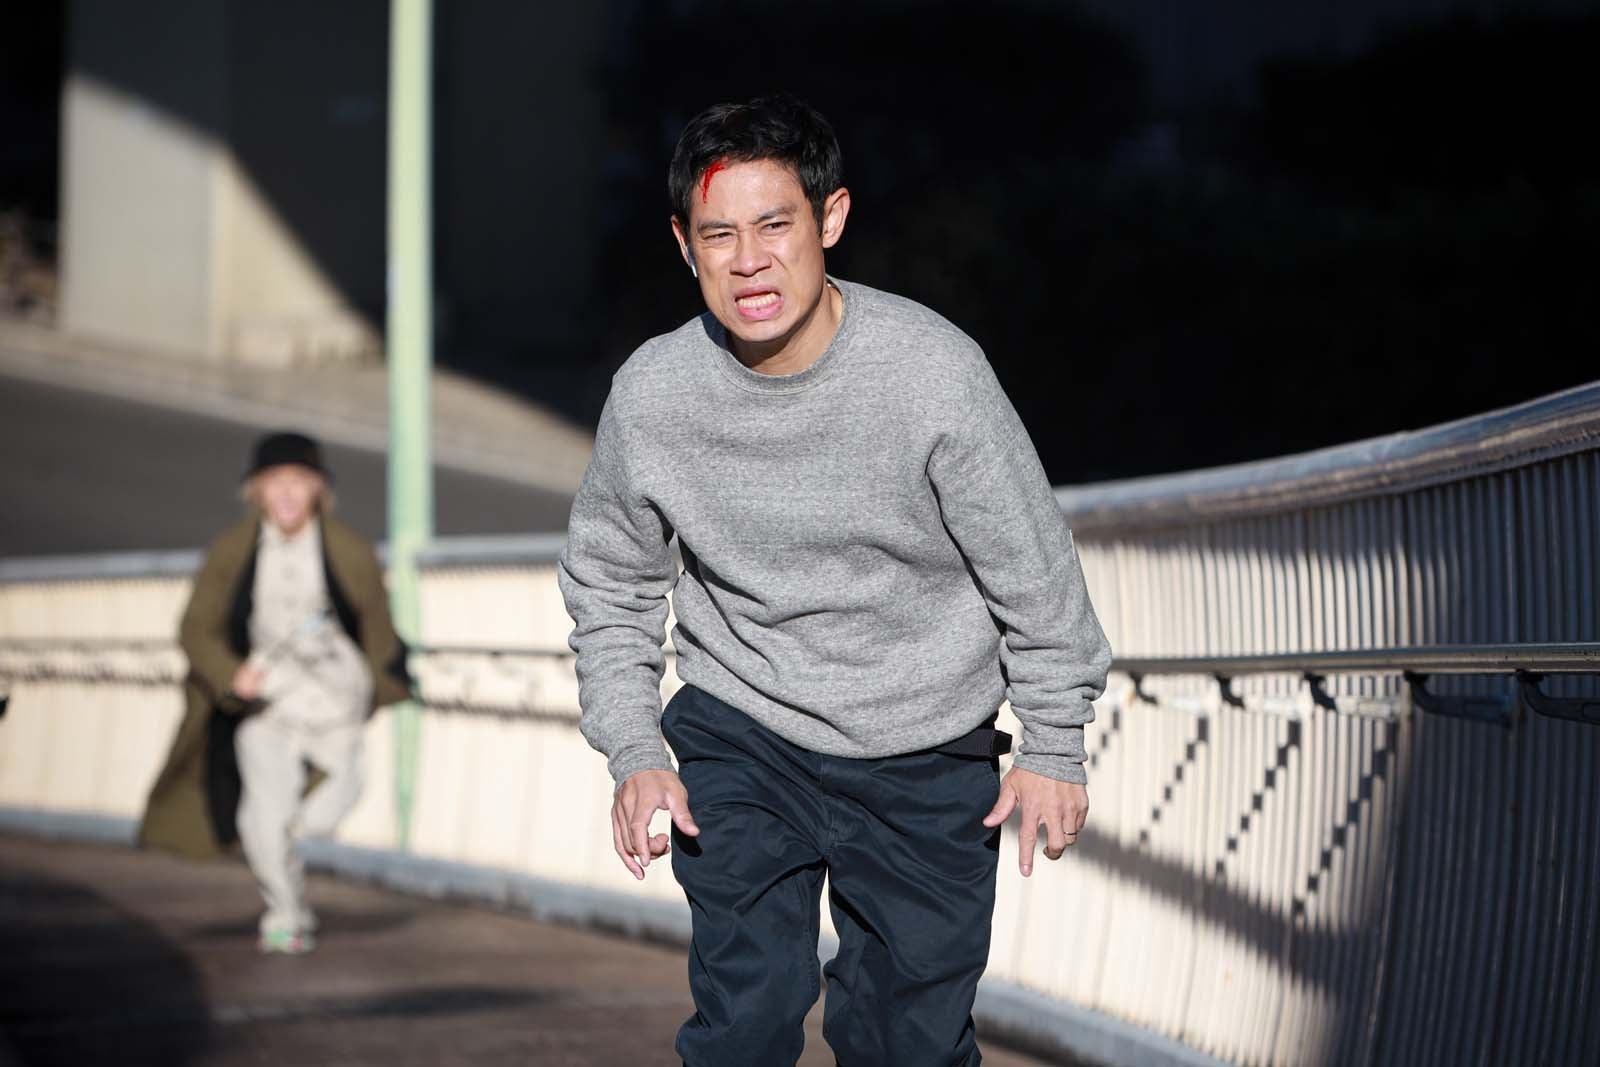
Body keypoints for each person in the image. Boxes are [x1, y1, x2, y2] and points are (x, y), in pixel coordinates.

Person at [558, 94, 1112, 1065]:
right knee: (744, 1022)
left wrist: (1055, 744)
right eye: (719, 234)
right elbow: (610, 579)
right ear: (685, 245)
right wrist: (635, 748)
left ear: (831, 218)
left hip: (924, 742)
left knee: (908, 1041)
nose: (749, 260)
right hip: (743, 728)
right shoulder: (654, 393)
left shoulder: (932, 374)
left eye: (775, 224)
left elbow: (1033, 570)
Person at [139, 431, 410, 954]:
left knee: (320, 819)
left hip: (336, 702)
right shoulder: (232, 549)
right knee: (262, 821)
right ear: (256, 490)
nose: (286, 493)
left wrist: (378, 692)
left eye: (299, 482)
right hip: (267, 701)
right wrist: (229, 674)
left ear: (318, 490)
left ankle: (327, 797)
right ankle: (286, 915)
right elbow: (195, 627)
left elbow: (378, 628)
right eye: (275, 482)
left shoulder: (350, 551)